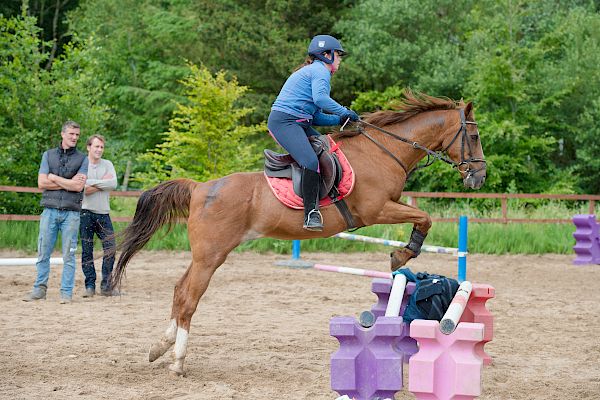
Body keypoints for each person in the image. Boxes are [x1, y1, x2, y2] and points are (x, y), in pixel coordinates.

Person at [268, 34, 360, 231]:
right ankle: (310, 214)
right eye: (339, 55)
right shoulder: (320, 71)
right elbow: (321, 99)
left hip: (298, 122)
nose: (340, 59)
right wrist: (343, 111)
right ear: (327, 55)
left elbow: (316, 116)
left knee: (328, 150)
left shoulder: (314, 71)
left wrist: (339, 119)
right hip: (285, 123)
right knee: (310, 161)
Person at [23, 120, 88, 304]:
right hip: (49, 211)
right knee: (43, 252)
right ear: (63, 134)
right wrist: (66, 181)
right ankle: (39, 289)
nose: (74, 137)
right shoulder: (48, 155)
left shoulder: (82, 158)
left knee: (69, 255)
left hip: (72, 214)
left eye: (77, 135)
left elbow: (78, 186)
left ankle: (66, 293)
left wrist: (53, 177)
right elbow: (41, 183)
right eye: (71, 134)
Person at [80, 134, 118, 297]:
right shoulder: (81, 164)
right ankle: (89, 285)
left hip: (103, 213)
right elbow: (83, 188)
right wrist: (102, 182)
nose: (99, 150)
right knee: (87, 250)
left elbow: (113, 184)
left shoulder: (108, 164)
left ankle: (106, 286)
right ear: (89, 147)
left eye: (102, 147)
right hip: (85, 212)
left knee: (111, 249)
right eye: (96, 146)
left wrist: (92, 182)